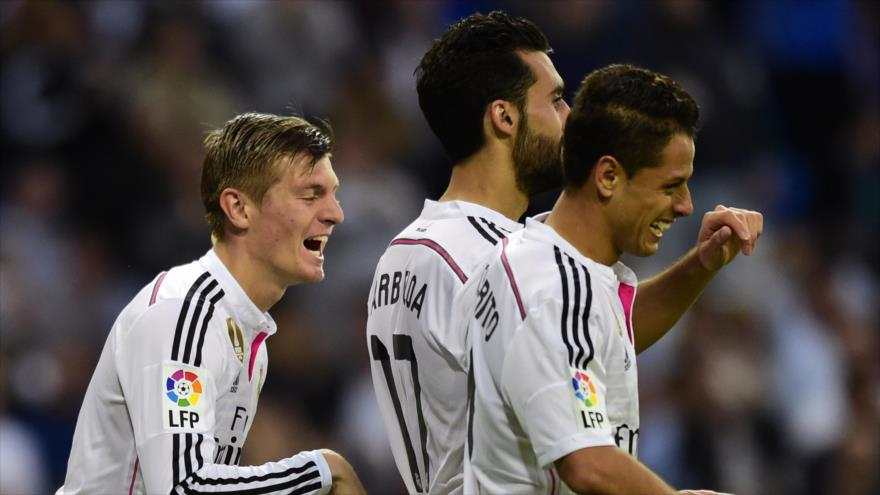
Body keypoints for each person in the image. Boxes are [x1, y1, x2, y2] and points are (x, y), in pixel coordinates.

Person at [367, 11, 762, 495]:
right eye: (555, 100)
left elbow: (589, 336)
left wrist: (700, 266)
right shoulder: (495, 260)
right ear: (503, 116)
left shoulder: (409, 252)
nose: (571, 119)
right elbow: (566, 351)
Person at [464, 64, 763, 494]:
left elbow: (610, 332)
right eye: (671, 186)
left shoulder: (544, 260)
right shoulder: (555, 292)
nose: (685, 206)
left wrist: (703, 263)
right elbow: (588, 464)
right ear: (608, 177)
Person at [58, 113, 366, 495]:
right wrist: (323, 470)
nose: (335, 213)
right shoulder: (182, 315)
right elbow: (182, 489)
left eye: (333, 193)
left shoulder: (242, 329)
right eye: (310, 195)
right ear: (238, 208)